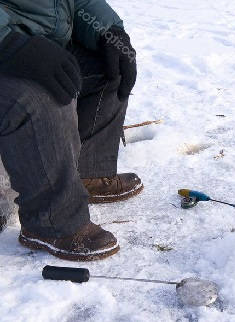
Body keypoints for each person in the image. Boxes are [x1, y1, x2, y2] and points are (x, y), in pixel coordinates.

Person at [0, 0, 143, 261]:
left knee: (110, 66)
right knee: (40, 95)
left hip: (37, 45)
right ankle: (51, 221)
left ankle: (86, 174)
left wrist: (108, 30)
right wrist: (10, 45)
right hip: (7, 48)